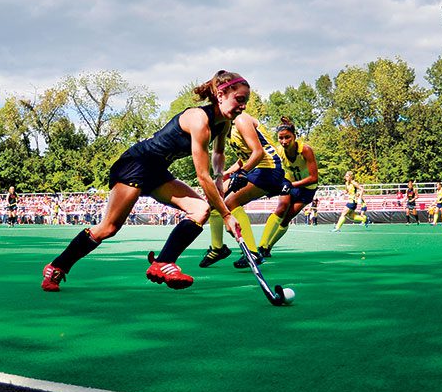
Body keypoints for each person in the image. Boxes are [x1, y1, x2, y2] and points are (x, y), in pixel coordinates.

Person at [40, 71, 249, 292]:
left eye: (245, 101)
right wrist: (226, 214)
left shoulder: (223, 123)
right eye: (240, 99)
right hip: (136, 164)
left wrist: (219, 178)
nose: (243, 106)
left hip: (157, 171)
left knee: (200, 210)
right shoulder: (199, 119)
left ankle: (164, 262)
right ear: (221, 94)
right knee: (108, 228)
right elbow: (201, 176)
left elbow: (218, 154)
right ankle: (56, 267)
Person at [201, 107, 288, 269]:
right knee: (214, 198)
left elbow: (258, 153)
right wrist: (226, 174)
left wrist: (242, 173)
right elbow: (244, 159)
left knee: (231, 202)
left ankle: (252, 252)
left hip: (269, 168)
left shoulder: (241, 120)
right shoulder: (228, 129)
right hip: (256, 168)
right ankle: (217, 248)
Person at [255, 117, 319, 261]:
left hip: (307, 188)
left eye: (287, 137)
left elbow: (314, 178)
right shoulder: (279, 151)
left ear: (294, 137)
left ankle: (268, 247)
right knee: (281, 208)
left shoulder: (305, 150)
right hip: (289, 182)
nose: (284, 142)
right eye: (281, 138)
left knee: (287, 217)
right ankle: (261, 247)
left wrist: (291, 185)